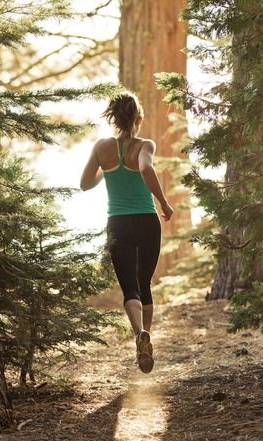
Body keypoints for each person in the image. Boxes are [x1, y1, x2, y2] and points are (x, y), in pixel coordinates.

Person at [80, 91, 173, 374]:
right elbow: (146, 170)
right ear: (138, 119)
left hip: (118, 223)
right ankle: (146, 336)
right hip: (147, 221)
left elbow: (84, 184)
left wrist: (108, 171)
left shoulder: (101, 148)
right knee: (144, 284)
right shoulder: (145, 145)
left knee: (129, 288)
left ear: (115, 119)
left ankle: (139, 335)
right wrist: (164, 203)